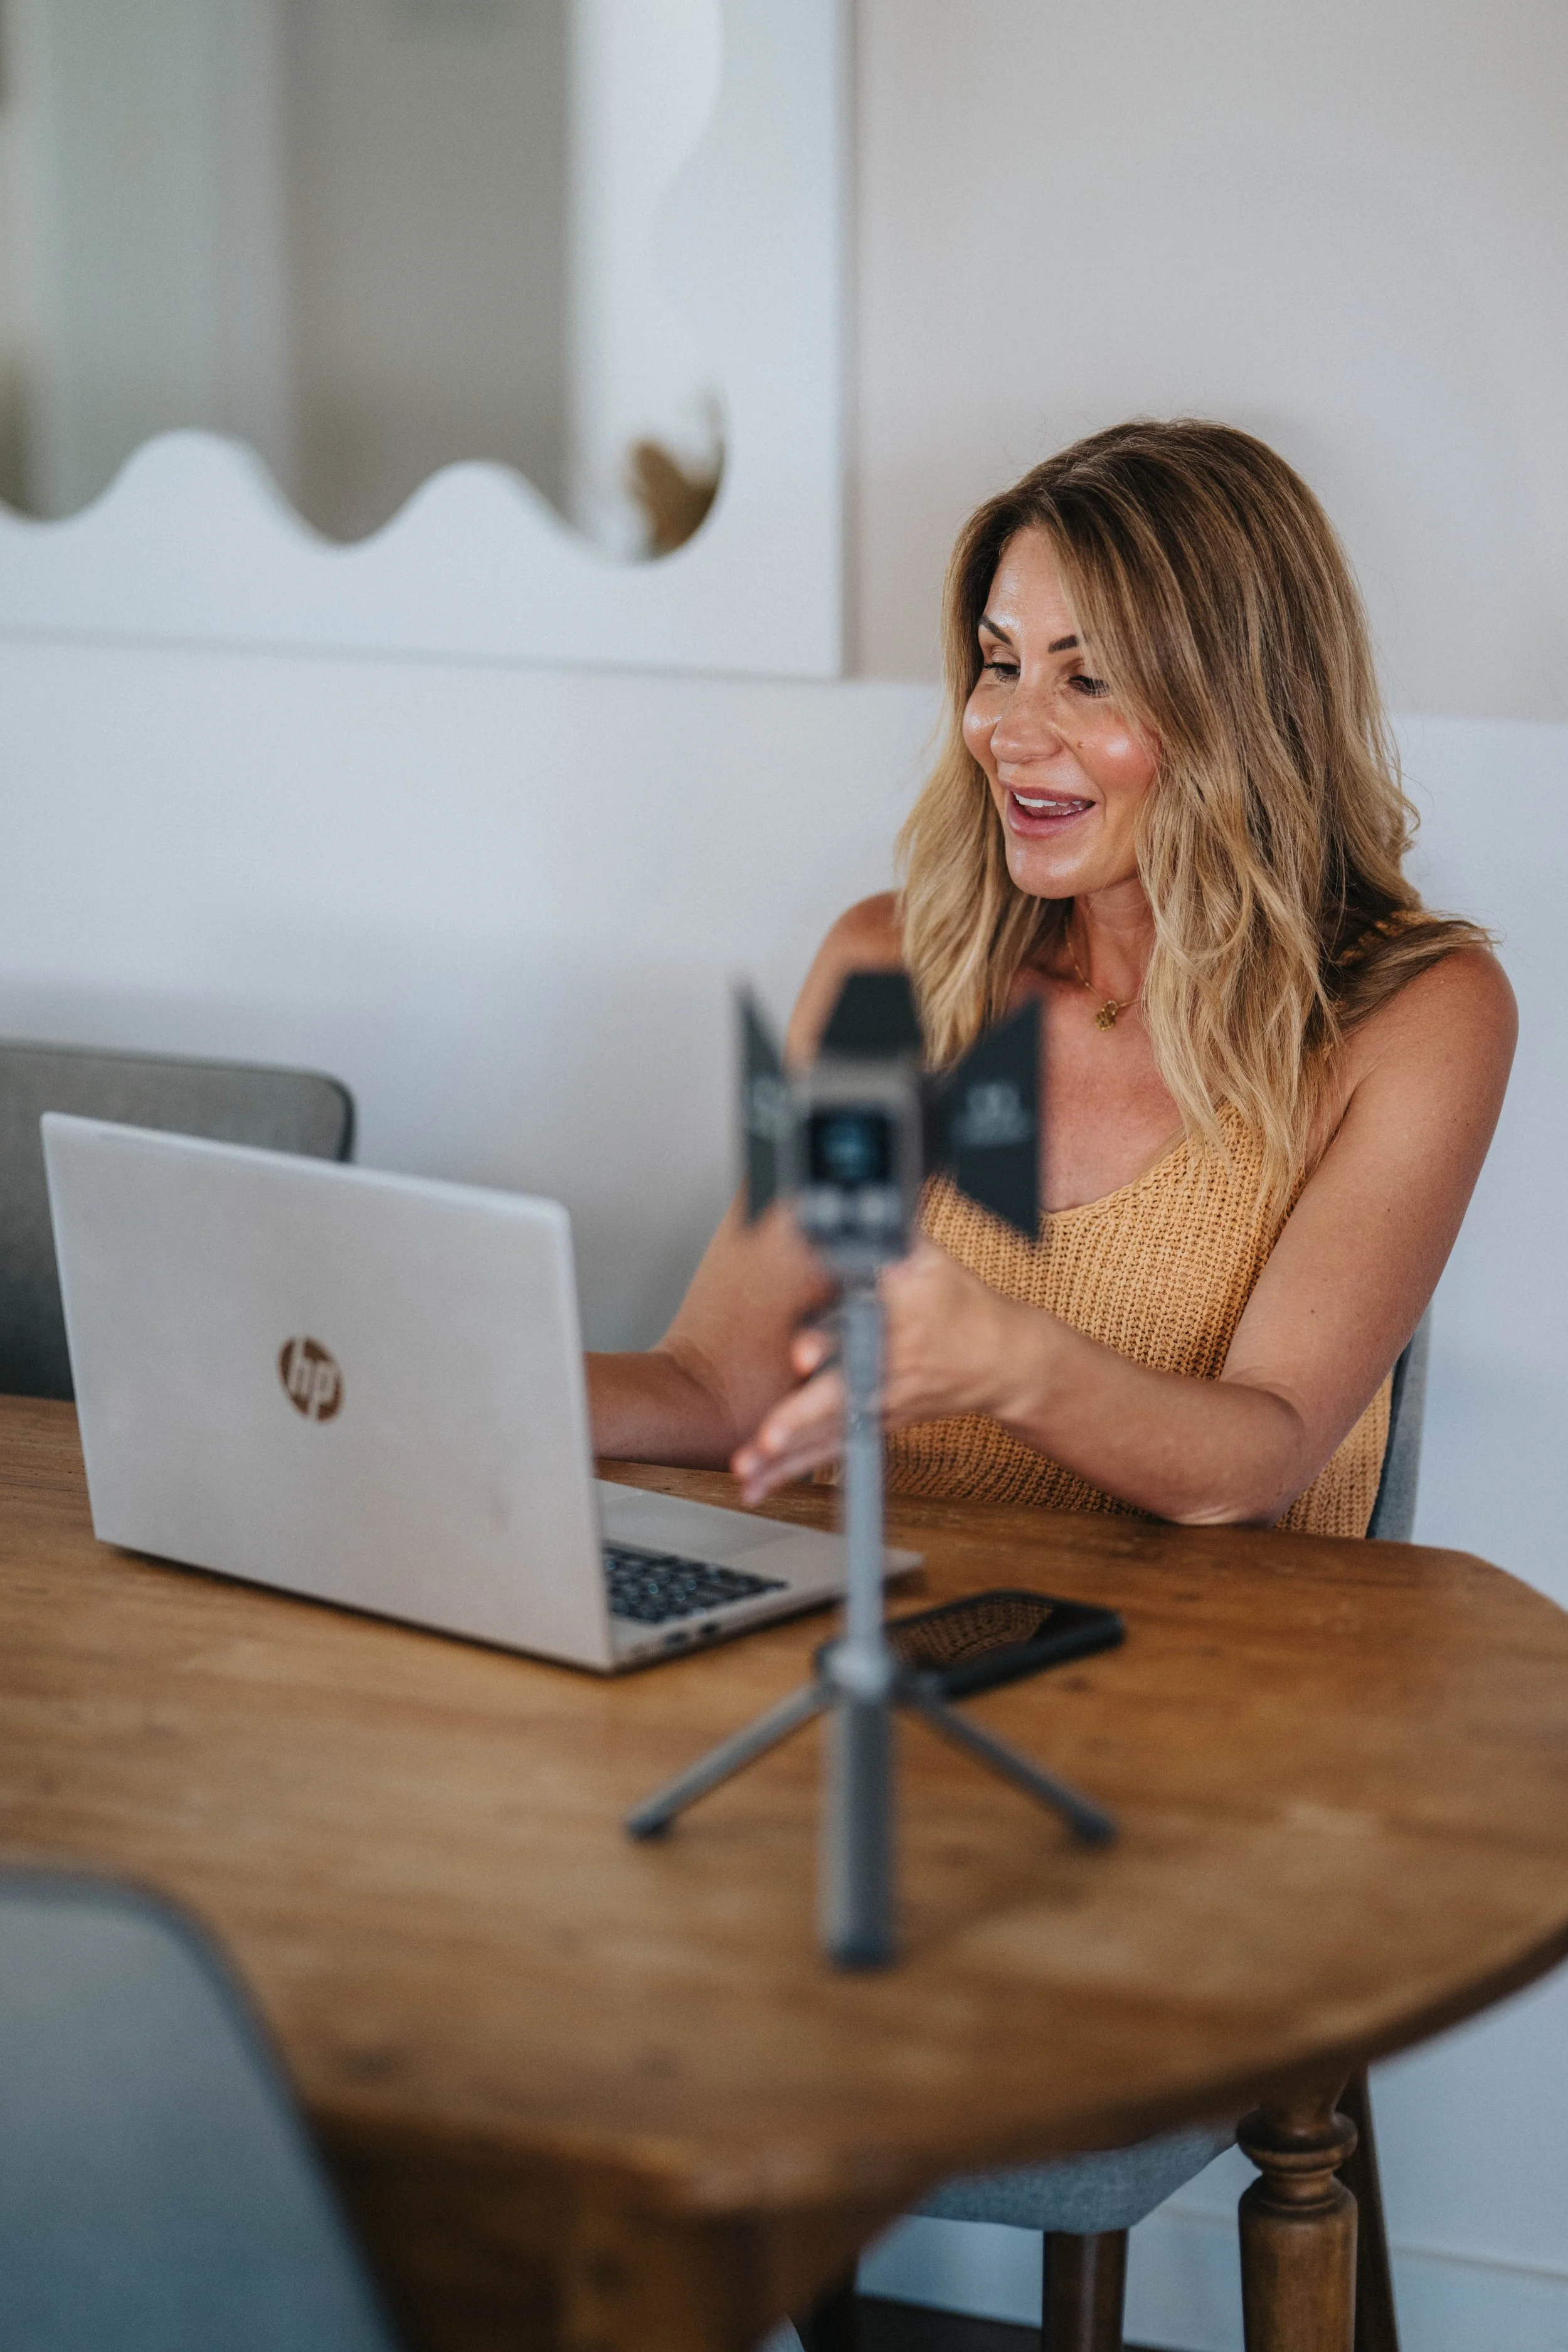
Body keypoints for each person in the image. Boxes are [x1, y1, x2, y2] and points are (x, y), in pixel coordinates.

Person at [588, 420, 1515, 1534]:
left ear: (1238, 707)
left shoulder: (1418, 1015)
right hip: (870, 1641)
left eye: (1089, 680)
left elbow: (1260, 1455)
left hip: (1217, 1680)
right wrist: (441, 1372)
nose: (1009, 731)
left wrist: (1010, 1362)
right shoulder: (890, 971)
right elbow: (716, 1386)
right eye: (1000, 663)